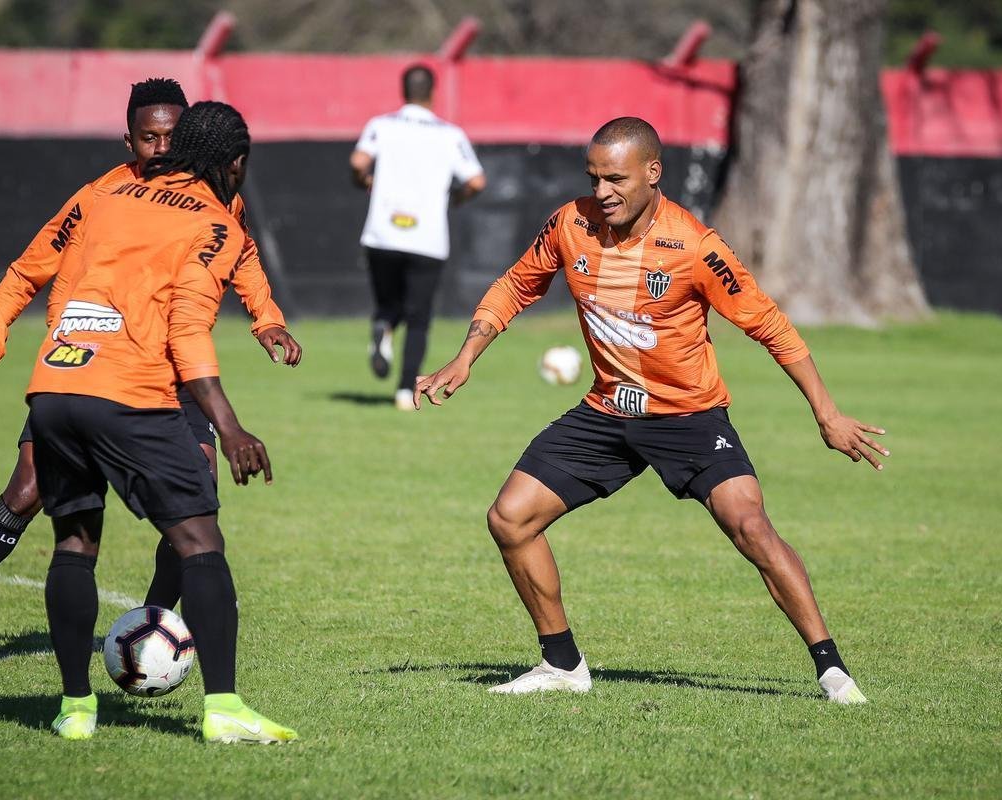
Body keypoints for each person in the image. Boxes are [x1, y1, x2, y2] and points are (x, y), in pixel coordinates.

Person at [415, 117, 887, 704]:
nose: (603, 191)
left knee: (750, 526)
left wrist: (827, 412)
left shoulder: (693, 245)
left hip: (689, 417)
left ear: (652, 173)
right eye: (594, 178)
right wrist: (465, 359)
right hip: (608, 413)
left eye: (616, 178)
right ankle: (562, 666)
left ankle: (832, 669)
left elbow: (769, 325)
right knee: (509, 518)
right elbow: (516, 284)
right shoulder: (571, 223)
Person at [0, 78, 302, 672]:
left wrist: (266, 319)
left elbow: (239, 252)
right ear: (128, 139)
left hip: (172, 375)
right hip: (90, 367)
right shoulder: (100, 198)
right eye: (150, 138)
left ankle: (146, 633)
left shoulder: (216, 200)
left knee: (195, 504)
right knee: (26, 493)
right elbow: (23, 272)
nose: (163, 149)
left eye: (174, 137)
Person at [23, 100, 295, 743]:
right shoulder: (212, 222)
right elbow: (186, 329)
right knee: (200, 543)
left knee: (74, 544)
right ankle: (225, 709)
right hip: (131, 393)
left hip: (56, 383)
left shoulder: (109, 194)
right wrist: (228, 426)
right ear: (236, 164)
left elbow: (50, 277)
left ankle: (75, 709)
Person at [350, 64, 486, 410]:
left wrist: (364, 181)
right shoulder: (449, 134)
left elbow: (358, 161)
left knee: (388, 304)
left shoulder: (381, 125)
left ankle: (382, 326)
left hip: (382, 233)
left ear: (403, 91)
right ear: (433, 93)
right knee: (419, 317)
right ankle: (403, 392)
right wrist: (455, 199)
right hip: (427, 238)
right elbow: (476, 181)